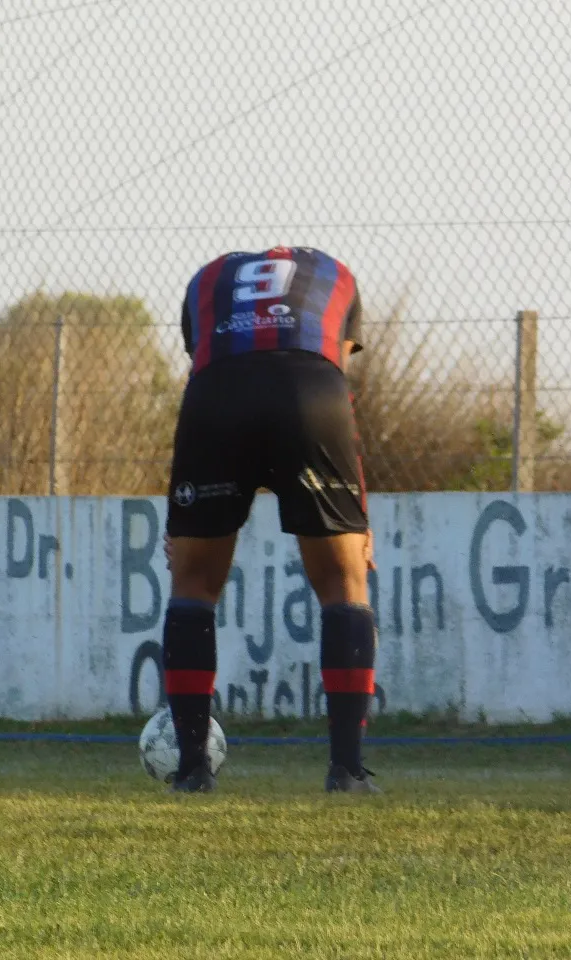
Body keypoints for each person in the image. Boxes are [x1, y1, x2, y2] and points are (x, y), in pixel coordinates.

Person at [162, 246, 378, 794]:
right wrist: (360, 524)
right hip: (311, 390)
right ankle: (346, 771)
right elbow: (337, 365)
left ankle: (191, 771)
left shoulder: (206, 276)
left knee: (192, 583)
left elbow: (205, 356)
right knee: (344, 581)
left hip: (218, 396)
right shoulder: (335, 272)